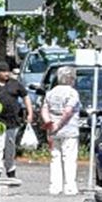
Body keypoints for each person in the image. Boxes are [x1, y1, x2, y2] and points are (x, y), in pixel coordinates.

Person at [40, 65, 82, 195]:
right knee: (69, 158)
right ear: (71, 79)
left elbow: (44, 109)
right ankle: (69, 187)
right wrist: (59, 124)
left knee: (55, 158)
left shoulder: (51, 92)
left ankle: (55, 187)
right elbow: (68, 111)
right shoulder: (72, 93)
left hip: (52, 131)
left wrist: (49, 122)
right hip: (69, 130)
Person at [0, 60, 33, 179]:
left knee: (10, 147)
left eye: (8, 71)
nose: (7, 74)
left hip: (12, 121)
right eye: (4, 71)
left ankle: (10, 169)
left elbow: (26, 97)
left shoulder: (14, 84)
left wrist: (29, 112)